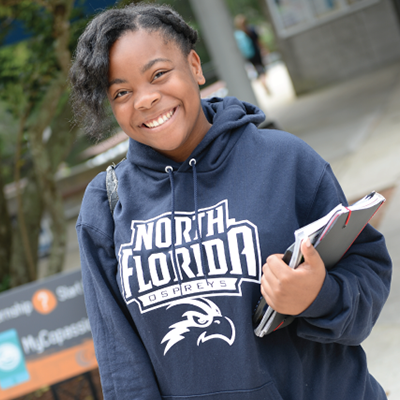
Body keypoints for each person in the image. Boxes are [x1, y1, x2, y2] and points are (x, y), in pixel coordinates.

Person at [69, 3, 392, 400]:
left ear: (194, 66)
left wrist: (317, 295)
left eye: (159, 74)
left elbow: (367, 274)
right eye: (122, 92)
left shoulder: (285, 160)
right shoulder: (105, 205)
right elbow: (121, 363)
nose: (145, 99)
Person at [234, 14, 271, 95]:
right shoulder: (251, 30)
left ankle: (261, 80)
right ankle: (263, 81)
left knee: (257, 68)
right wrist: (264, 49)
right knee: (262, 69)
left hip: (248, 56)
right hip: (256, 53)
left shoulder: (238, 34)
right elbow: (258, 41)